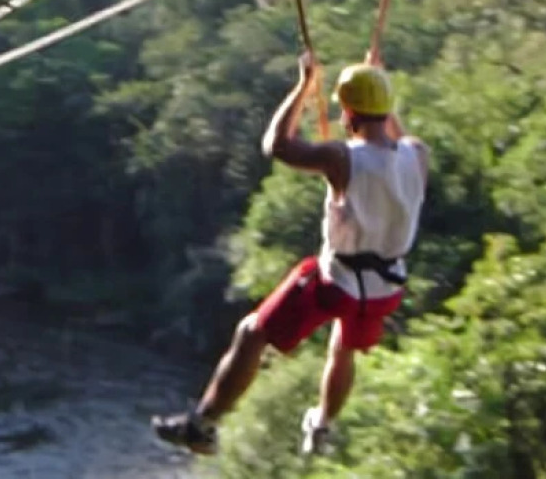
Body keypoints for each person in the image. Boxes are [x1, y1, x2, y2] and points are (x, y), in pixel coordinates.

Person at [152, 51, 430, 456]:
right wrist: (378, 86)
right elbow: (395, 139)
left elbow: (276, 145)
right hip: (386, 288)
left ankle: (203, 425)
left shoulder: (341, 157)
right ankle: (322, 425)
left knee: (253, 332)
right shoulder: (417, 154)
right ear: (386, 109)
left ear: (348, 114)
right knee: (344, 347)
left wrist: (304, 86)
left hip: (337, 281)